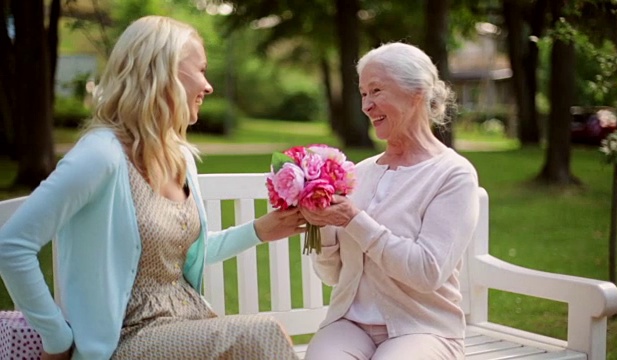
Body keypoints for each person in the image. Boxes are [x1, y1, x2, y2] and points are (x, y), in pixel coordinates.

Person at [0, 16, 303, 360]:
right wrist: (56, 340)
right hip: (127, 339)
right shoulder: (101, 155)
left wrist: (261, 230)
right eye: (200, 70)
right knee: (262, 335)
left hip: (188, 326)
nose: (208, 86)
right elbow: (12, 245)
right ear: (163, 73)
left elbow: (180, 258)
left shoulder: (179, 157)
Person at [301, 42, 480, 360]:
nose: (366, 106)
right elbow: (332, 276)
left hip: (424, 327)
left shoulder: (453, 174)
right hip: (349, 324)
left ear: (418, 93)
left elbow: (426, 272)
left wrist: (353, 219)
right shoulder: (358, 173)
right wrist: (324, 224)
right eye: (363, 93)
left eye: (376, 90)